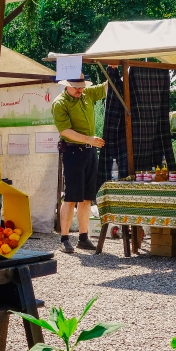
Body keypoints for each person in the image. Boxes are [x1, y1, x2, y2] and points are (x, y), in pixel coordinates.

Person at [51, 77, 107, 254]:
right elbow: (65, 131)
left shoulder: (87, 93)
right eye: (76, 87)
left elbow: (107, 87)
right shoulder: (59, 103)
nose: (79, 90)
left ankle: (83, 237)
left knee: (87, 197)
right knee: (70, 197)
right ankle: (65, 238)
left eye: (81, 87)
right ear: (67, 86)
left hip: (90, 151)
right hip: (73, 152)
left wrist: (113, 68)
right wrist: (88, 139)